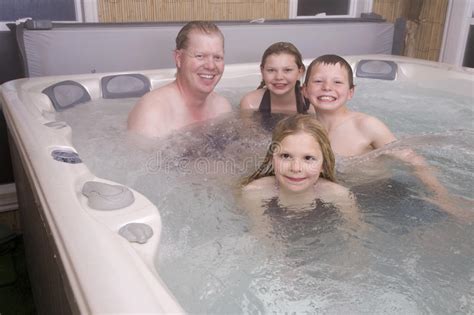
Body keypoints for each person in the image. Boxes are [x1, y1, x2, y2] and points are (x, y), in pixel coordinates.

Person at [303, 54, 472, 220]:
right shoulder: (304, 128)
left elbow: (414, 160)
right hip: (340, 197)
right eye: (318, 81)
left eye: (337, 82)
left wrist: (442, 197)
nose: (327, 87)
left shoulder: (366, 126)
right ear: (304, 90)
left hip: (382, 194)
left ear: (350, 92)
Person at [241, 114, 360, 223]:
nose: (296, 168)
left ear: (323, 164)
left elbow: (356, 240)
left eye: (308, 158)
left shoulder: (340, 196)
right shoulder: (255, 193)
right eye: (286, 156)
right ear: (272, 159)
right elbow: (262, 238)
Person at [127, 21, 232, 138]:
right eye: (200, 56)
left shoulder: (222, 108)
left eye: (217, 57)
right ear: (178, 58)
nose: (211, 66)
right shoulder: (152, 113)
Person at [239, 42, 313, 114]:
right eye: (271, 70)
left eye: (287, 70)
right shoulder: (250, 104)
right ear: (262, 71)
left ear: (300, 72)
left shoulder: (312, 104)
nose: (279, 77)